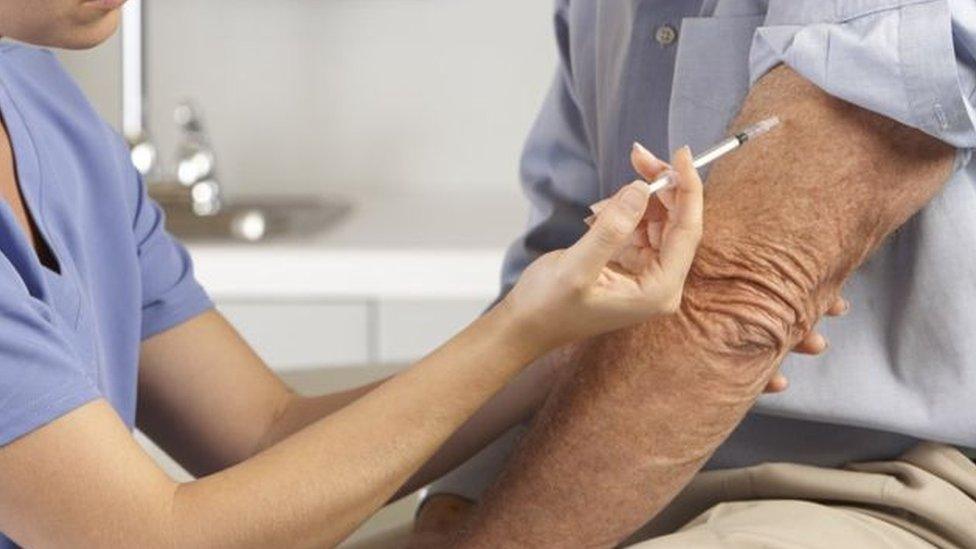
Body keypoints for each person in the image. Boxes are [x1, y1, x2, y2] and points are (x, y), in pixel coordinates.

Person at [0, 1, 722, 547]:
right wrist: (515, 331)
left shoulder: (46, 102)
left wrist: (567, 342)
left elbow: (261, 432)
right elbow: (151, 538)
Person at [415, 1, 976, 547]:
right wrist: (460, 497)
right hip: (578, 472)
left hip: (887, 488)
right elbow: (548, 287)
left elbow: (734, 306)